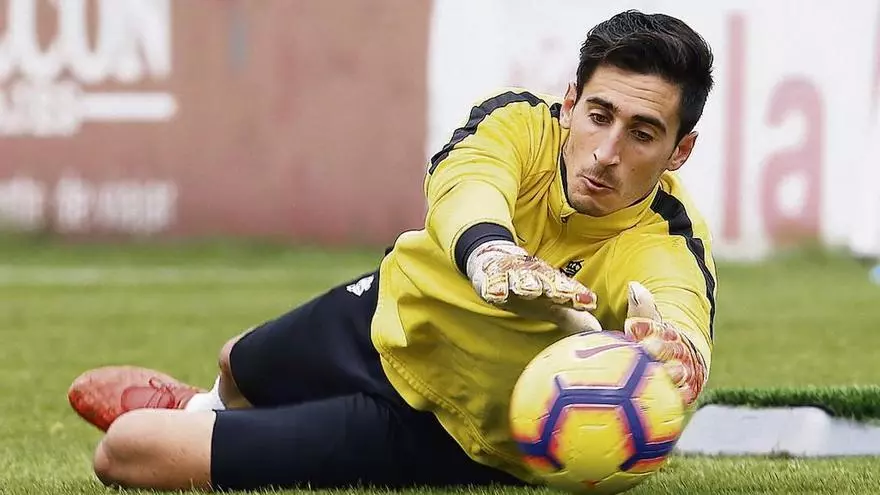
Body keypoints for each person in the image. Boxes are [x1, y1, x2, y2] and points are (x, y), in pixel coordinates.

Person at [67, 9, 717, 492]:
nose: (606, 153)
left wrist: (678, 351)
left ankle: (193, 421)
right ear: (570, 103)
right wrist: (493, 254)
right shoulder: (519, 122)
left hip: (440, 429)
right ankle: (206, 406)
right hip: (388, 312)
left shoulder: (667, 238)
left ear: (679, 151)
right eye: (599, 116)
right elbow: (468, 187)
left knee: (127, 449)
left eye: (642, 133)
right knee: (237, 361)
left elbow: (678, 306)